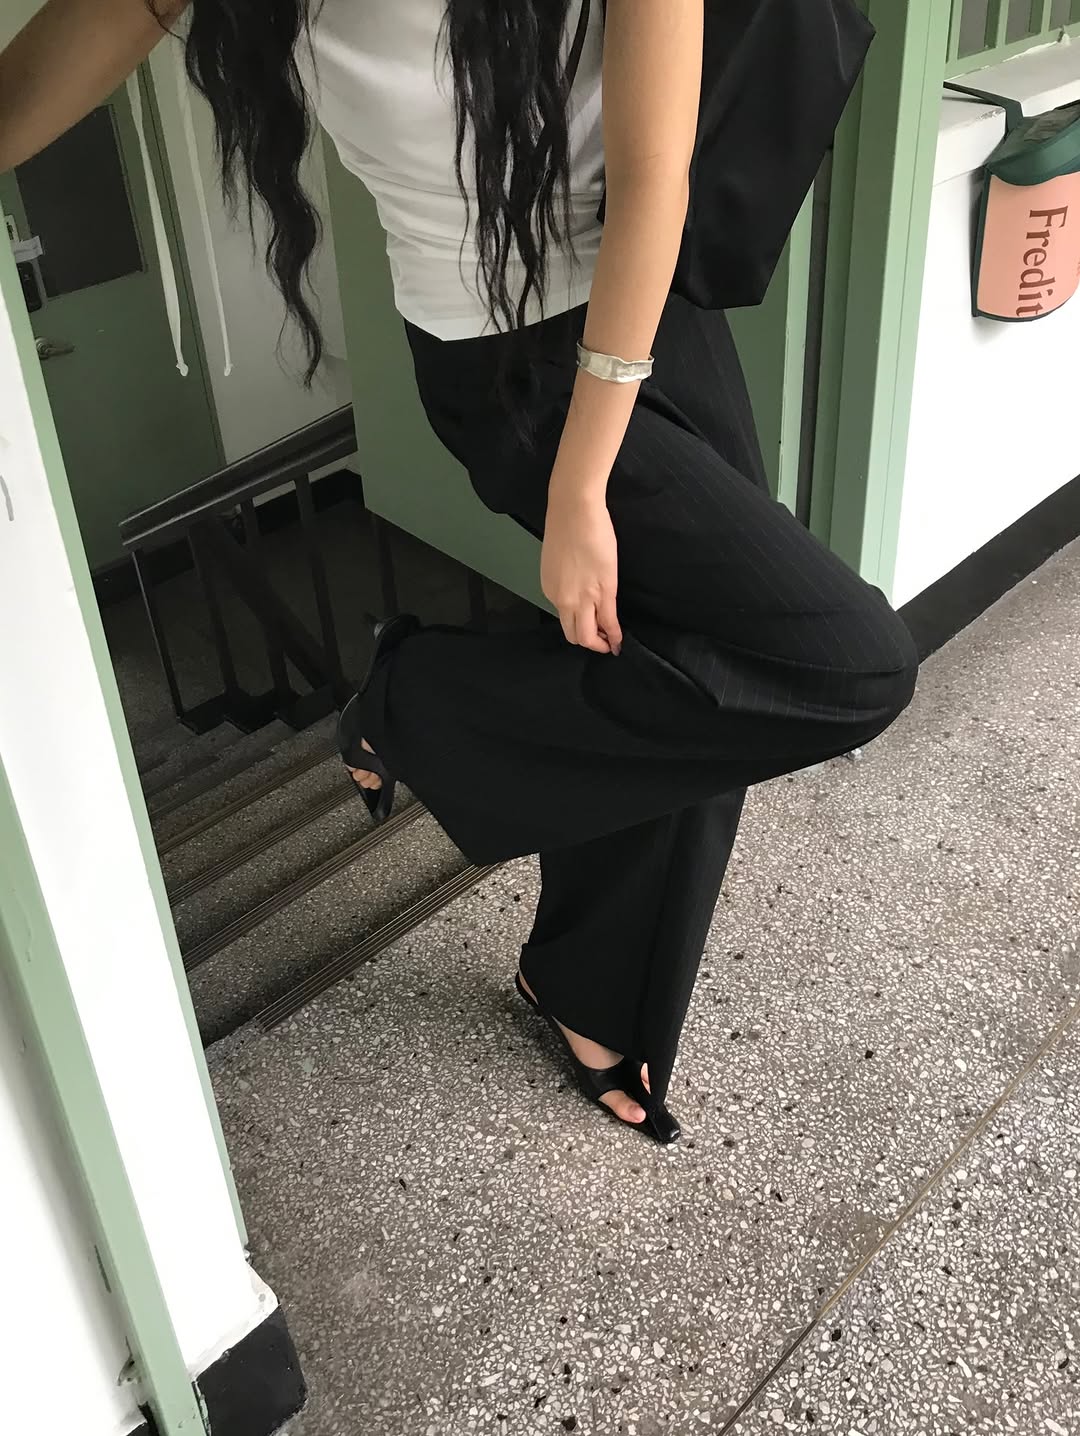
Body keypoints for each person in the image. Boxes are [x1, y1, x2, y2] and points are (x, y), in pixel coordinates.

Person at [0, 0, 919, 1146]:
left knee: (692, 681)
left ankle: (582, 985)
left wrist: (585, 485)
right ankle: (415, 702)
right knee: (848, 665)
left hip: (650, 310)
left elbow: (652, 180)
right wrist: (576, 482)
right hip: (501, 361)